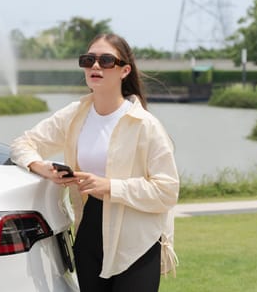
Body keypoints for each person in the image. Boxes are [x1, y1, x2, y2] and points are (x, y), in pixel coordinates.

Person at [10, 33, 179, 292]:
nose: (95, 66)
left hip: (137, 243)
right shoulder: (75, 113)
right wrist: (41, 167)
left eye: (106, 60)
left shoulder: (145, 125)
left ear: (125, 70)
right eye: (88, 60)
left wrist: (110, 186)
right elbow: (22, 143)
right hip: (89, 234)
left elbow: (167, 191)